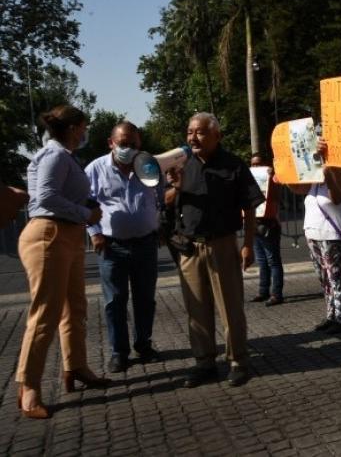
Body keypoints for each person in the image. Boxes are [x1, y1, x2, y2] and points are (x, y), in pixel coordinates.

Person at [16, 105, 111, 419]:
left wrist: (85, 208)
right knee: (45, 312)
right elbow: (44, 198)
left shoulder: (65, 157)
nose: (85, 133)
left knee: (74, 307)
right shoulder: (55, 156)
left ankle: (76, 366)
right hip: (49, 234)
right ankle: (28, 387)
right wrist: (87, 214)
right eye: (83, 127)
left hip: (65, 236)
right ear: (73, 128)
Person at [165, 112, 264, 388]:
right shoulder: (181, 165)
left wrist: (248, 244)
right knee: (196, 309)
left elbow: (249, 206)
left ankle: (238, 361)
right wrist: (176, 186)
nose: (192, 137)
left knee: (230, 307)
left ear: (216, 135)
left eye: (199, 132)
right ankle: (204, 362)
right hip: (190, 247)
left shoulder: (233, 164)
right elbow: (168, 200)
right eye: (189, 132)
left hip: (222, 244)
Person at [85, 121, 161, 373]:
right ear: (111, 143)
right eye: (122, 143)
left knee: (145, 300)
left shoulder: (148, 166)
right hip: (111, 247)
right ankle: (119, 352)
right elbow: (85, 203)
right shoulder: (95, 169)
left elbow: (163, 196)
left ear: (140, 145)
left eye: (133, 144)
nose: (127, 148)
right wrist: (94, 233)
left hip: (146, 244)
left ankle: (144, 344)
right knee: (114, 302)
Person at [288, 147, 341, 334]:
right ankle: (330, 315)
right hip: (312, 234)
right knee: (324, 280)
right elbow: (297, 187)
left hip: (331, 235)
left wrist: (329, 171)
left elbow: (336, 198)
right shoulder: (314, 182)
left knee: (336, 278)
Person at [249, 155, 284, 306]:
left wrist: (271, 175)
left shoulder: (273, 178)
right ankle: (263, 291)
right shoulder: (250, 180)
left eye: (258, 164)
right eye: (253, 165)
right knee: (262, 260)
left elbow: (278, 189)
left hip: (269, 224)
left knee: (272, 261)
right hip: (254, 224)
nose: (256, 168)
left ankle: (276, 294)